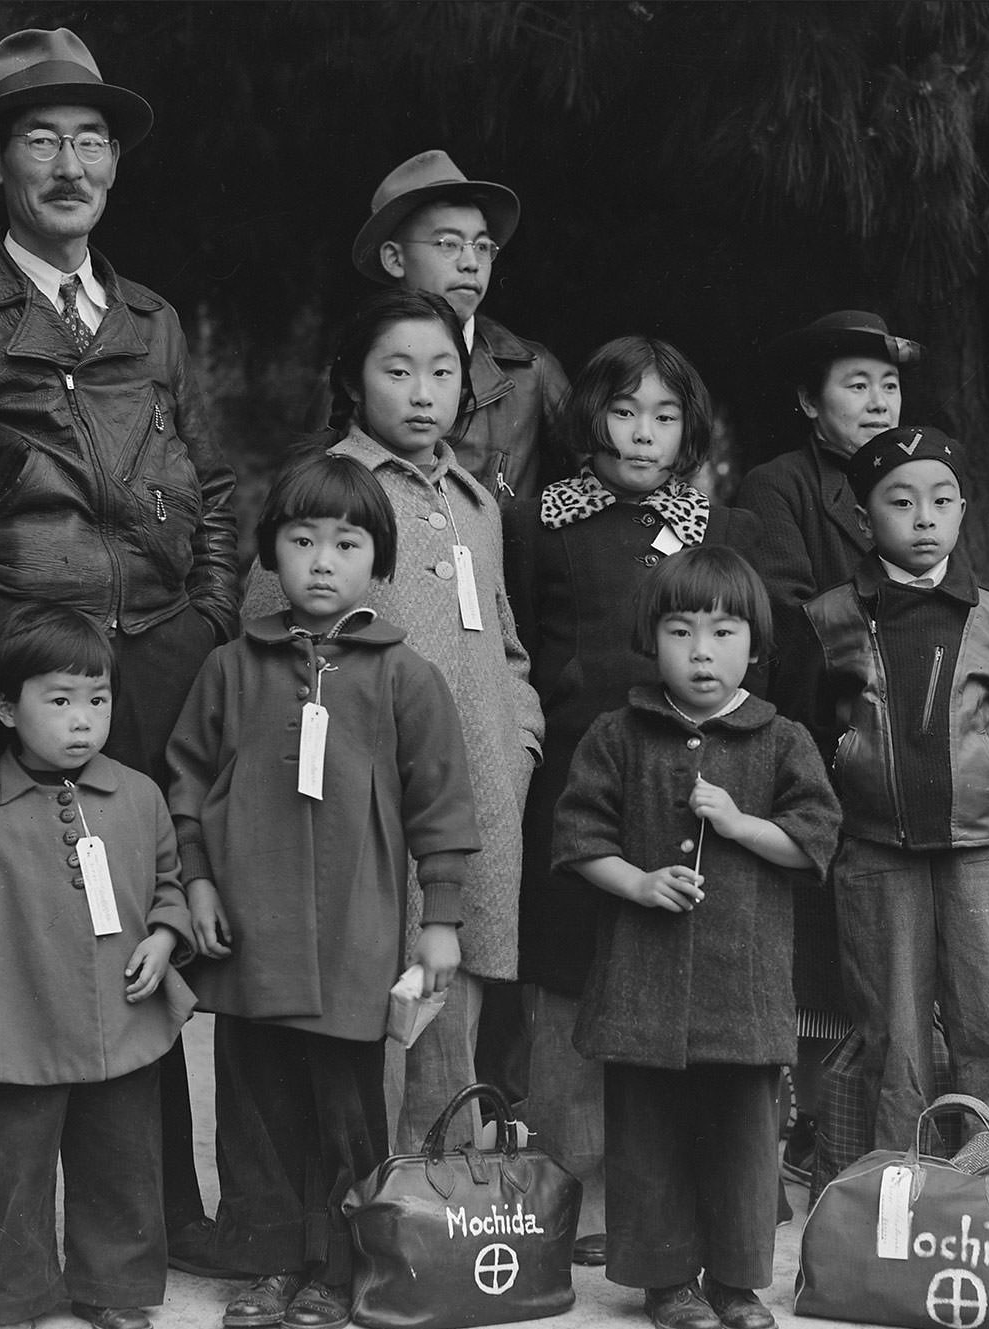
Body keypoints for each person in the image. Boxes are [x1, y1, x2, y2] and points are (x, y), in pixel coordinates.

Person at [0, 27, 238, 1325]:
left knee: (140, 934)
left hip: (151, 666)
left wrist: (208, 624)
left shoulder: (155, 322)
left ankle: (161, 1216)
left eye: (92, 139)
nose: (71, 162)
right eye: (41, 137)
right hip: (15, 670)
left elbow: (211, 489)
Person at [165, 455, 481, 1329]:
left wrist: (443, 922)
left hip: (355, 936)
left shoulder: (405, 677)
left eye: (346, 543)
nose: (321, 560)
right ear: (270, 554)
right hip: (250, 936)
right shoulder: (232, 668)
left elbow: (442, 807)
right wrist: (194, 882)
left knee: (347, 1112)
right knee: (256, 1106)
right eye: (301, 541)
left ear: (376, 561)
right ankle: (267, 1261)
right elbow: (185, 785)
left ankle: (335, 1270)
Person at [242, 289, 543, 1154]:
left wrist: (516, 742)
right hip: (364, 802)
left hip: (479, 792)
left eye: (442, 372)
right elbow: (269, 640)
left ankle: (440, 1209)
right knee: (376, 995)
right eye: (398, 370)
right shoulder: (329, 491)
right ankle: (360, 1210)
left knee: (461, 983)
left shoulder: (476, 502)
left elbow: (508, 643)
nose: (422, 393)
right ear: (352, 378)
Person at [503, 337, 760, 1264]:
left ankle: (652, 1199)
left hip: (677, 777)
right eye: (623, 412)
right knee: (566, 976)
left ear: (688, 428)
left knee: (660, 973)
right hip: (575, 772)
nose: (643, 434)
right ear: (590, 419)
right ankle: (558, 1188)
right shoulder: (537, 521)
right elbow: (523, 635)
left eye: (664, 415)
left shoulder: (711, 527)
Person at [551, 547, 841, 1329]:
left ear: (757, 643)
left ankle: (738, 1282)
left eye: (723, 632)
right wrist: (640, 884)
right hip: (641, 985)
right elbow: (579, 838)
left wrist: (743, 824)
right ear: (653, 639)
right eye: (681, 632)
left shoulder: (780, 739)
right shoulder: (619, 733)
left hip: (743, 989)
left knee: (745, 1139)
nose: (702, 652)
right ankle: (669, 1282)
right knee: (648, 1136)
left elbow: (816, 842)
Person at [0, 605, 196, 1329]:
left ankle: (111, 1287)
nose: (83, 720)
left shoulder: (137, 796)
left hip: (120, 1020)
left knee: (121, 1162)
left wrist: (167, 937)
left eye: (97, 700)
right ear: (6, 707)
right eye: (60, 700)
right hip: (23, 1029)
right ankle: (16, 1294)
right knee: (18, 1170)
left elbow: (169, 880)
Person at [796, 425, 989, 1155]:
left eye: (941, 501)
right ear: (867, 522)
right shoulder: (830, 618)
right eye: (902, 503)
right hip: (875, 854)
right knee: (892, 1031)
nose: (924, 518)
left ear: (963, 511)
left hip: (982, 850)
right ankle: (893, 1193)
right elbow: (807, 737)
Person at [733, 309, 921, 1186]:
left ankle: (869, 1137)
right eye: (856, 385)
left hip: (914, 745)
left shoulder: (924, 478)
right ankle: (804, 1130)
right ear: (811, 404)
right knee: (815, 956)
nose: (877, 401)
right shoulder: (781, 487)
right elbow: (790, 617)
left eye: (888, 384)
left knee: (888, 954)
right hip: (821, 735)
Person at [351, 148, 569, 500]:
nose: (471, 262)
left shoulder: (532, 372)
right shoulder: (355, 370)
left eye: (483, 246)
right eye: (448, 243)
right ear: (394, 258)